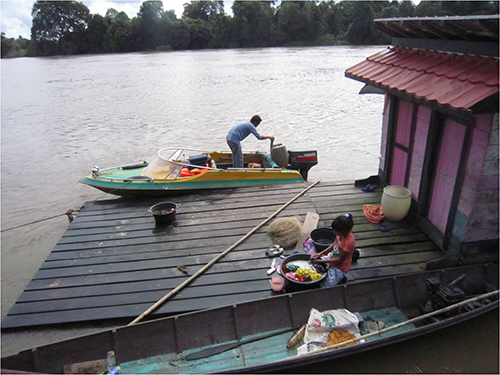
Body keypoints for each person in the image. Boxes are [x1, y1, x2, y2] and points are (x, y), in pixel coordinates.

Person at [310, 213, 355, 287]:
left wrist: (321, 261)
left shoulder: (349, 242)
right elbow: (334, 244)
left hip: (340, 267)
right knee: (314, 262)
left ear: (345, 230)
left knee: (324, 285)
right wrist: (320, 253)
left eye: (336, 231)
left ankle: (342, 277)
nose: (335, 233)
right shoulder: (340, 234)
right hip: (333, 256)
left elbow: (340, 260)